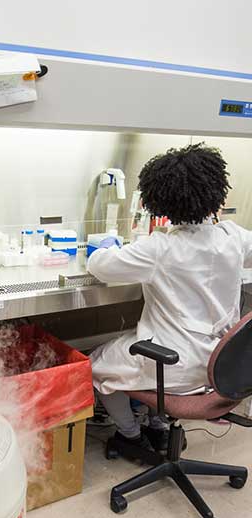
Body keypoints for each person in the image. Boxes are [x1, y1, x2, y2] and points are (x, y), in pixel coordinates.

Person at [88, 143, 252, 452]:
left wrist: (107, 244)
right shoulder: (233, 237)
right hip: (225, 366)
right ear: (217, 192)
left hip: (177, 367)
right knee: (137, 347)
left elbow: (100, 267)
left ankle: (131, 436)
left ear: (157, 201)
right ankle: (160, 426)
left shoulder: (159, 248)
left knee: (96, 364)